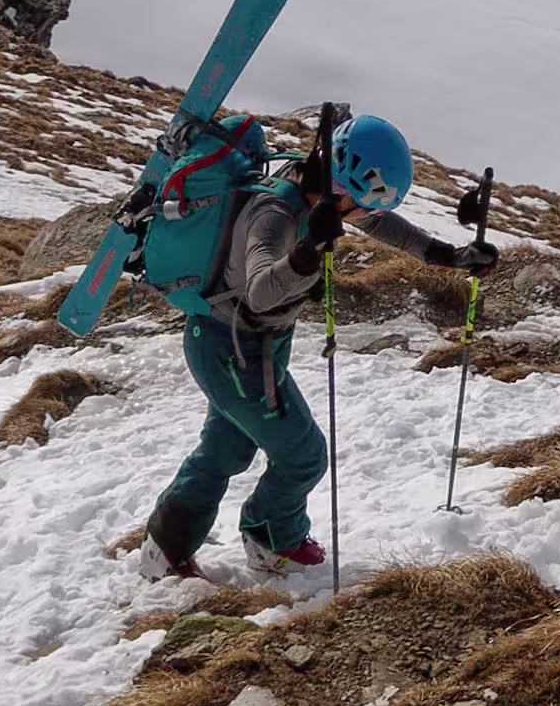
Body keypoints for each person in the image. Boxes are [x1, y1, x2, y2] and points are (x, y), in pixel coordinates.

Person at [132, 104, 417, 578]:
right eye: (363, 203)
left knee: (225, 451)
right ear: (344, 187)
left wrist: (449, 255)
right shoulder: (274, 213)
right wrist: (308, 251)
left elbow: (381, 225)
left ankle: (165, 550)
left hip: (246, 346)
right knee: (303, 454)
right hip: (232, 350)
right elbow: (263, 291)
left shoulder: (317, 190)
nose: (365, 215)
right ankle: (271, 538)